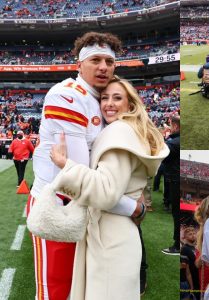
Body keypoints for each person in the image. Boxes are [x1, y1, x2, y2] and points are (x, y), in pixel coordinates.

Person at [27, 32, 145, 300]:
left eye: (109, 61)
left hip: (90, 207)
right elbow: (81, 177)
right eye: (95, 60)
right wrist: (132, 207)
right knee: (56, 291)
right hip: (60, 205)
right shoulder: (67, 95)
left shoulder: (103, 100)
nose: (103, 67)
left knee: (80, 289)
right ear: (79, 64)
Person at [49, 77, 169, 299]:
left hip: (110, 237)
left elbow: (105, 191)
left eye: (117, 98)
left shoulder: (119, 132)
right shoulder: (127, 130)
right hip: (116, 232)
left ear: (130, 105)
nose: (109, 104)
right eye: (105, 98)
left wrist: (65, 166)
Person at [161, 115, 180, 255]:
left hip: (175, 180)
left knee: (176, 213)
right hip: (174, 178)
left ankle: (177, 246)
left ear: (176, 126)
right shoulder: (175, 140)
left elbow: (160, 153)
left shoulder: (173, 143)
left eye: (170, 124)